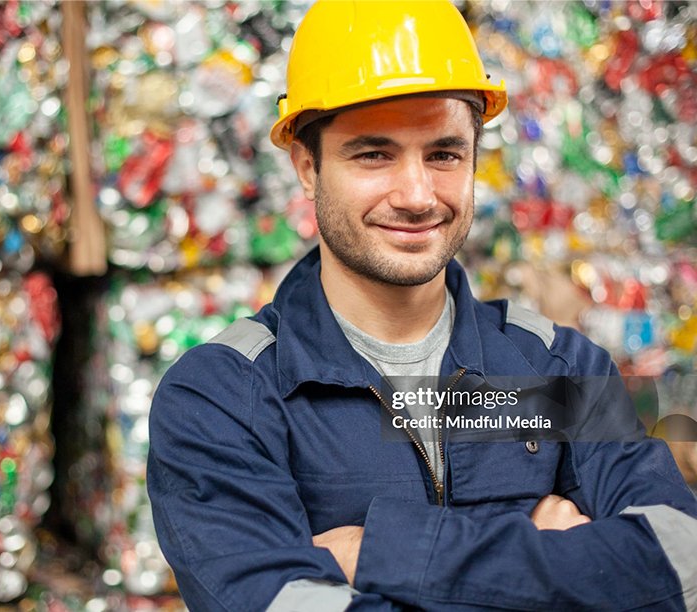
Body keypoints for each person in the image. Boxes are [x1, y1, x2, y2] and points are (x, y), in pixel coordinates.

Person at [146, 1, 697, 610]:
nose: (416, 196)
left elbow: (681, 561)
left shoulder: (554, 368)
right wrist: (557, 560)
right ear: (308, 166)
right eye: (373, 154)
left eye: (444, 154)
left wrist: (383, 553)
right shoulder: (225, 398)